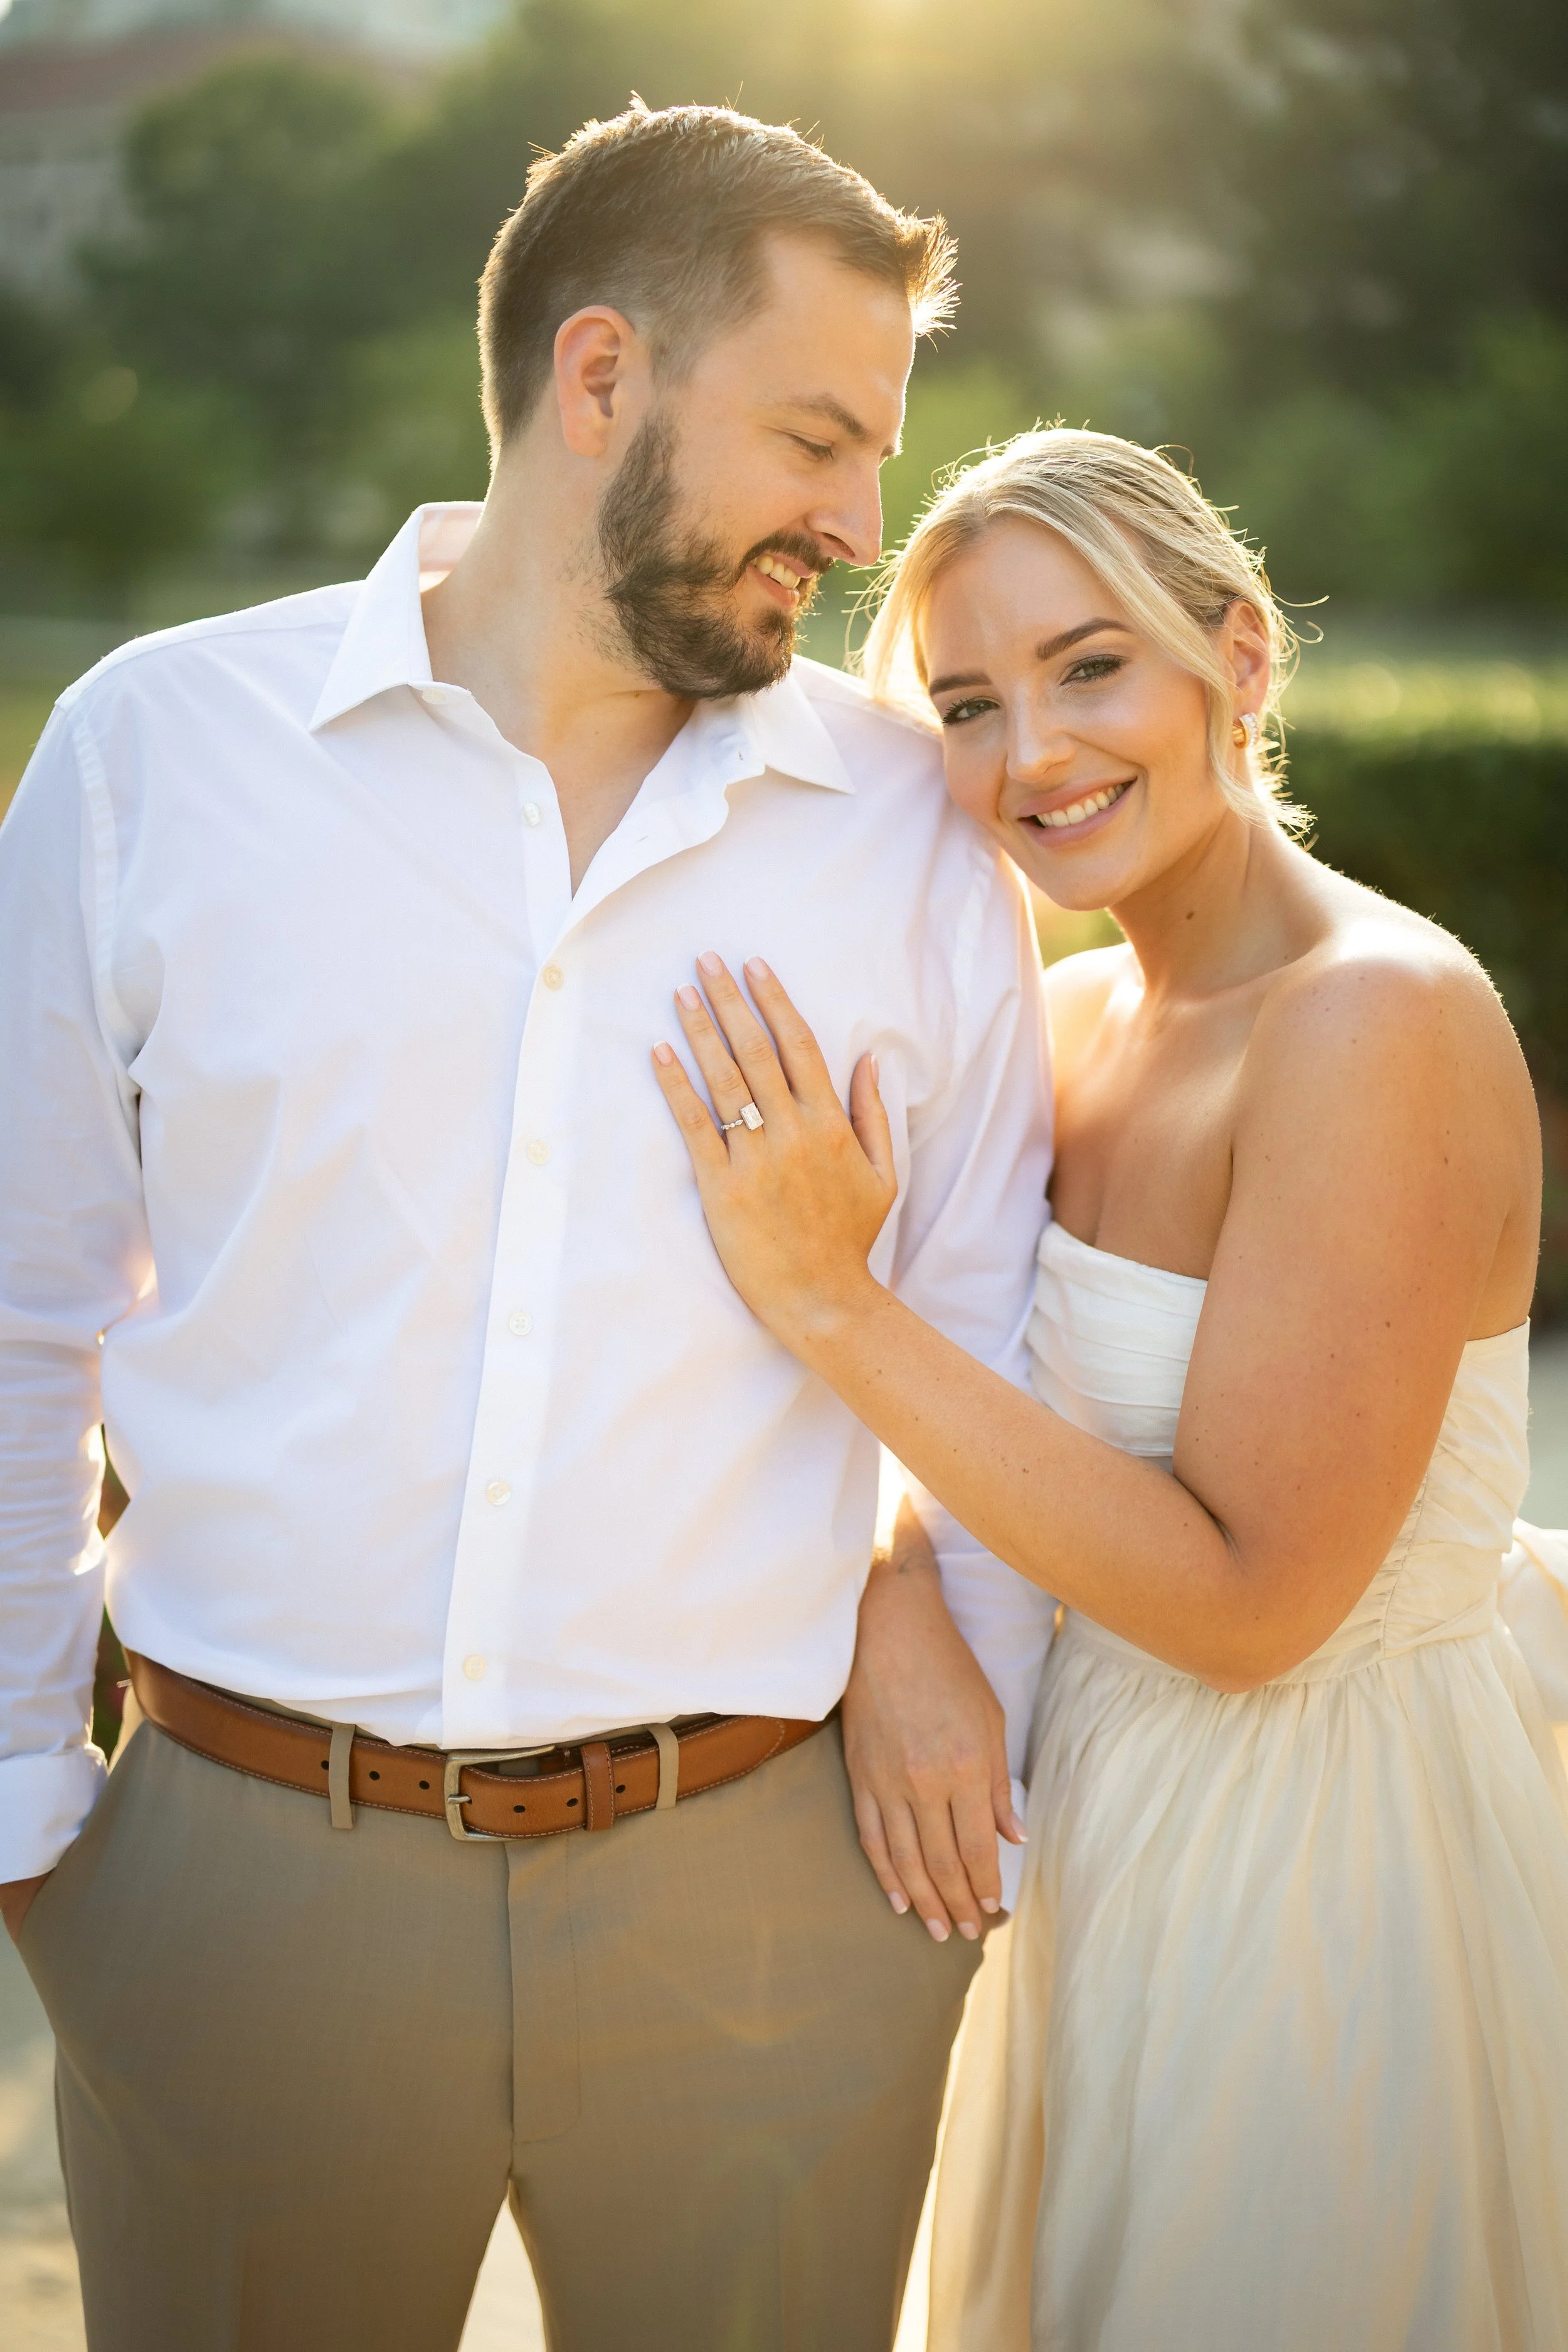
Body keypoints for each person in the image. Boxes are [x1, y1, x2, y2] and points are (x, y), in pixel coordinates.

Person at [0, 105, 1061, 2352]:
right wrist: (27, 1823)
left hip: (777, 1898)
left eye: (878, 455)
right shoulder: (154, 755)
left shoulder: (907, 834)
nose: (858, 526)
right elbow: (17, 1310)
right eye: (811, 438)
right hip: (237, 1877)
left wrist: (949, 1758)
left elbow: (984, 1324)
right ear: (600, 382)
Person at [650, 426, 1568, 2349]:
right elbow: (985, 1427)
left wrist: (834, 1303)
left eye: (1091, 667)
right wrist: (895, 1592)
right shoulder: (1064, 1023)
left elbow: (1248, 1606)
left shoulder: (1375, 1021)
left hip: (1320, 1857)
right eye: (968, 704)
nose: (1032, 755)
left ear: (1235, 658)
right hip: (1091, 1824)